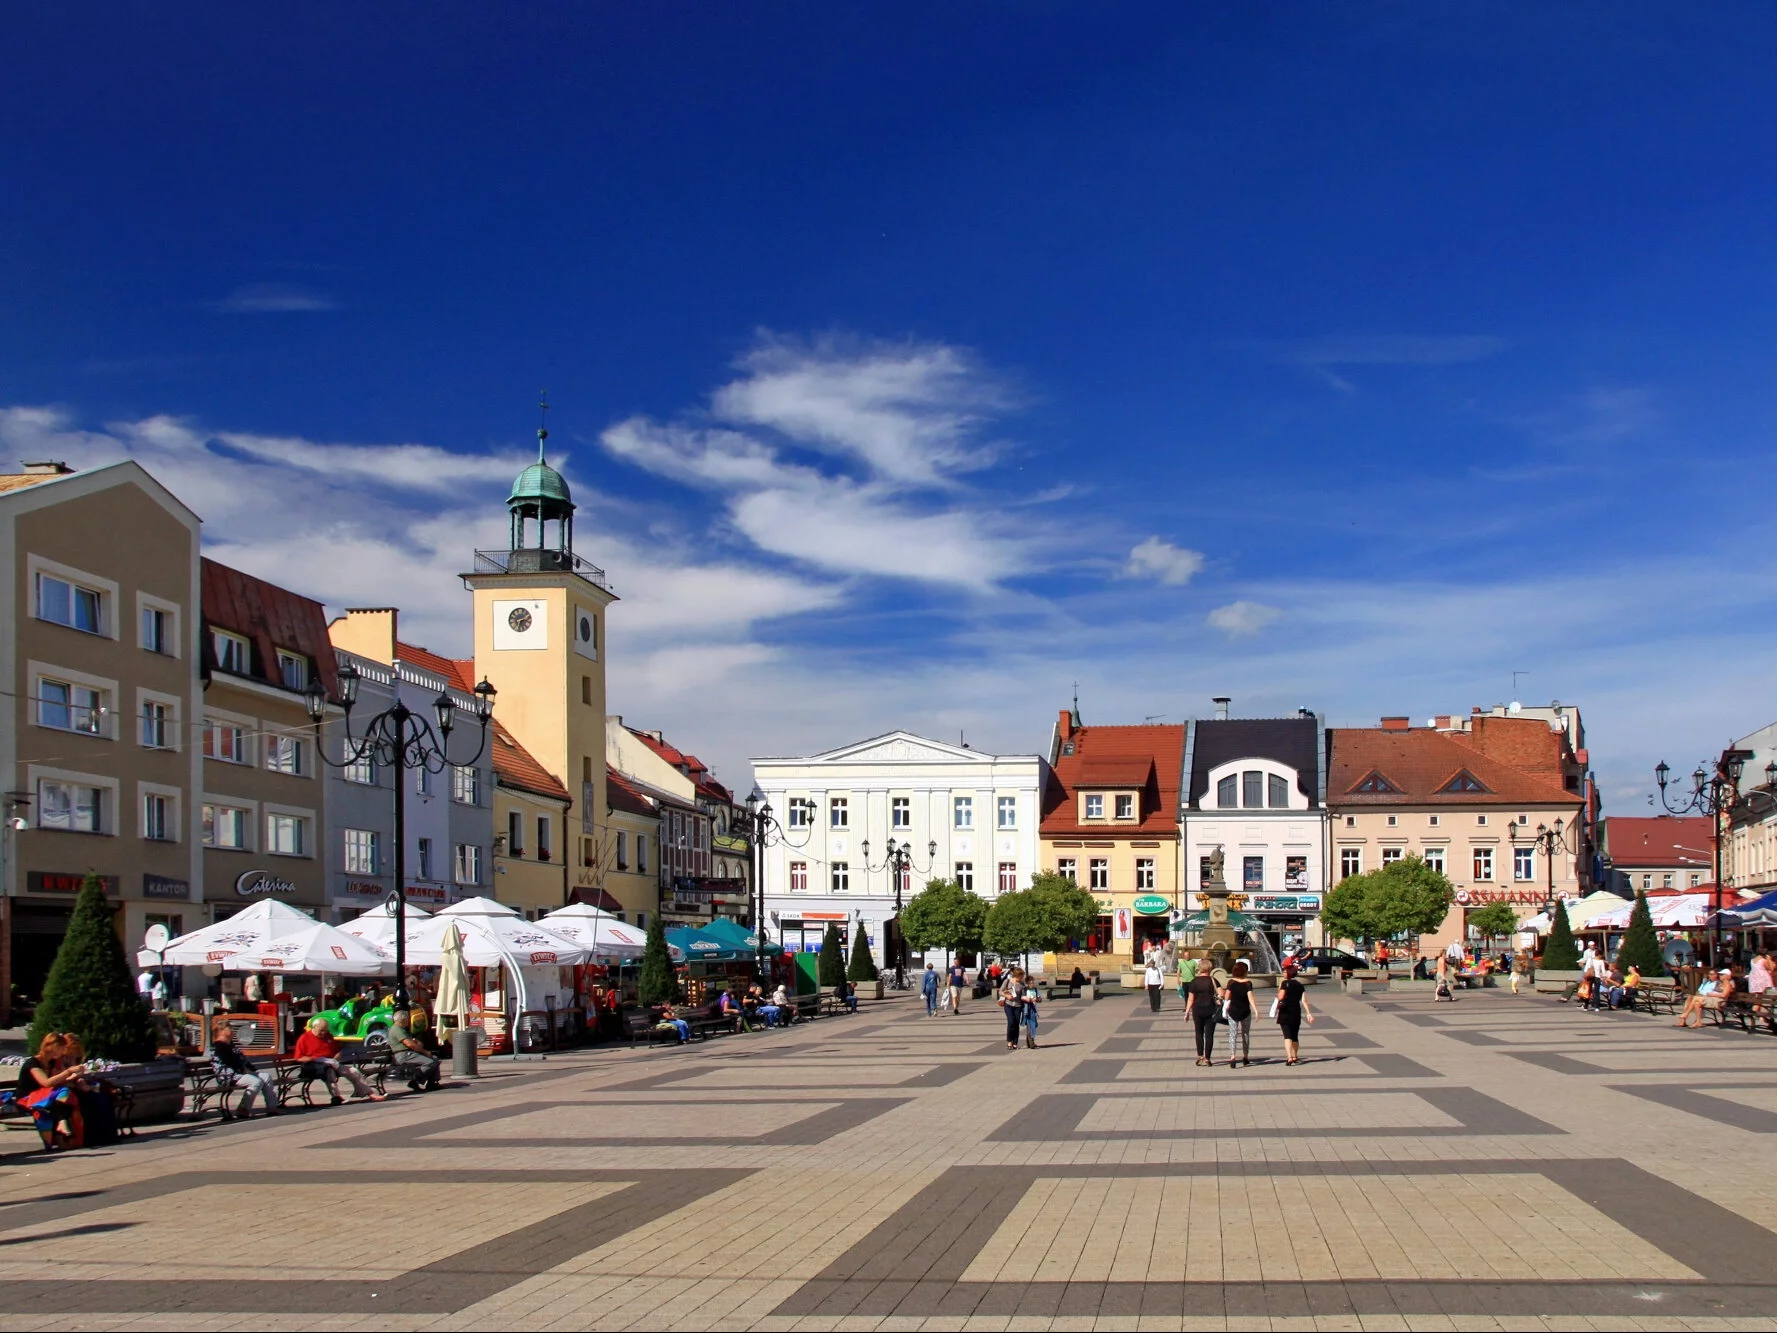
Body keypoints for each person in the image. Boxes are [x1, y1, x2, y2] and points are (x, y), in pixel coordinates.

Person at [15, 1033, 84, 1148]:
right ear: (54, 1047)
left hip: (43, 1097)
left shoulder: (51, 1062)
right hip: (27, 1098)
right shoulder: (33, 1063)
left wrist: (74, 1076)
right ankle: (61, 1125)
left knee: (66, 1094)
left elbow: (59, 1080)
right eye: (62, 1048)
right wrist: (69, 1071)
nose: (63, 1052)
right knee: (60, 1094)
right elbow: (46, 1082)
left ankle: (61, 1124)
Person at [293, 1017, 384, 1104]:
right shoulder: (304, 1038)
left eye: (325, 1030)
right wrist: (313, 1059)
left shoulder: (327, 1036)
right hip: (316, 1067)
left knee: (353, 1071)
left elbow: (337, 1050)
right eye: (321, 1030)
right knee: (329, 1072)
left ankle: (370, 1094)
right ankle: (336, 1097)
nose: (323, 1033)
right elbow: (298, 1058)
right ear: (314, 1027)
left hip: (331, 1063)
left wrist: (336, 1057)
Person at [210, 1017, 280, 1119]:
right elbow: (229, 1062)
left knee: (266, 1077)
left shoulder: (231, 1045)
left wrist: (251, 1069)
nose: (232, 1030)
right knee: (255, 1082)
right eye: (229, 1028)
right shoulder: (218, 1046)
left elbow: (243, 1060)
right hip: (229, 1076)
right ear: (221, 1031)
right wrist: (242, 1069)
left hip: (241, 1073)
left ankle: (272, 1107)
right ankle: (243, 1109)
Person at [385, 1009, 443, 1089]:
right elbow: (409, 1044)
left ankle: (432, 1082)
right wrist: (425, 1052)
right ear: (403, 1019)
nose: (408, 1021)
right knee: (430, 1062)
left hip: (407, 1054)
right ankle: (415, 1080)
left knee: (434, 1059)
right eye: (407, 1019)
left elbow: (413, 1043)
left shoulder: (401, 1030)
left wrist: (417, 1043)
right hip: (403, 1055)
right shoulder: (397, 1030)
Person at [1182, 962, 1220, 1066]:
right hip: (1211, 1010)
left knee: (1198, 1033)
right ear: (1209, 969)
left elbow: (1190, 999)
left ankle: (1200, 1055)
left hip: (1197, 1010)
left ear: (1200, 969)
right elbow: (1222, 994)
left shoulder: (1194, 982)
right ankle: (1207, 1057)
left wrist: (1187, 1012)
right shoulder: (1213, 980)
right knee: (1209, 1035)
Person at [1275, 969, 1314, 1066]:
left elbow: (1280, 997)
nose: (1283, 973)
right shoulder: (1300, 985)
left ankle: (1289, 1057)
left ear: (1288, 973)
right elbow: (1304, 1000)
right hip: (1296, 1011)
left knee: (1287, 1036)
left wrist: (1280, 988)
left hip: (1285, 1011)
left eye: (1284, 972)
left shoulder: (1284, 983)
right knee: (1295, 1036)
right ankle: (1295, 1055)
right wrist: (1309, 1013)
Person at [1222, 960, 1255, 1067]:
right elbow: (1250, 998)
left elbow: (1226, 997)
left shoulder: (1231, 982)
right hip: (1245, 1011)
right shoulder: (1248, 983)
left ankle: (1232, 1057)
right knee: (1245, 1034)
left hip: (1233, 1011)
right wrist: (1256, 1010)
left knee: (1233, 1034)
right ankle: (1245, 1057)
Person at [998, 967, 1024, 1050]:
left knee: (1016, 1024)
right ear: (1017, 975)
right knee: (1011, 1022)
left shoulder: (1022, 984)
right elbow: (1000, 991)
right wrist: (1006, 996)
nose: (1022, 977)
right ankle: (1009, 1041)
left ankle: (1015, 1043)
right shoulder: (1008, 981)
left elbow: (1023, 995)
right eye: (1021, 976)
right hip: (1008, 1005)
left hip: (1018, 1005)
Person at [1019, 972, 1042, 1048]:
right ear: (1028, 984)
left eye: (1033, 983)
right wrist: (1027, 999)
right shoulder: (1024, 990)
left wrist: (1037, 999)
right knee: (1030, 1026)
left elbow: (1040, 999)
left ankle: (1029, 1043)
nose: (1032, 984)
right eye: (1031, 983)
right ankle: (1032, 1044)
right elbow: (1022, 998)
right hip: (1027, 1010)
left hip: (1034, 1010)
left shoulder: (1035, 990)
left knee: (1033, 1025)